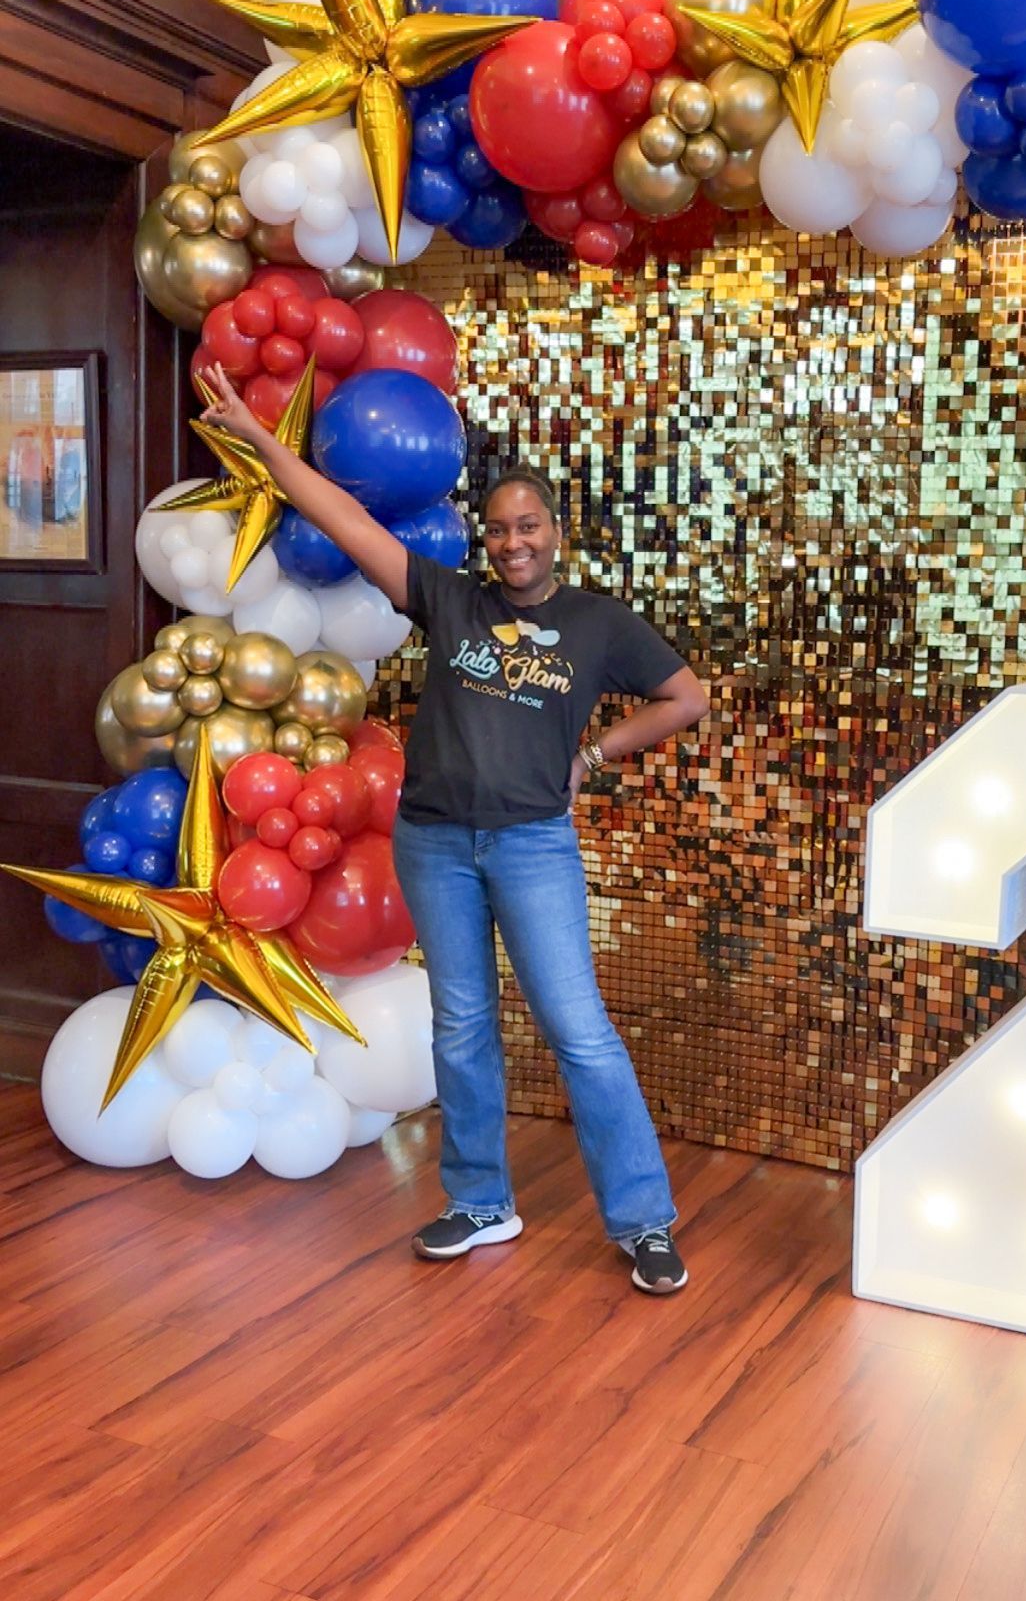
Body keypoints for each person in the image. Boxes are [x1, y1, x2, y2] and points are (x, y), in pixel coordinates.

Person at [199, 363, 709, 1294]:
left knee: (578, 1029)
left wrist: (594, 757)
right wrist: (260, 441)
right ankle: (481, 1201)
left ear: (555, 535)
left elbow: (686, 697)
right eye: (500, 528)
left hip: (531, 845)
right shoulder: (451, 600)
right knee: (461, 1024)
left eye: (530, 526)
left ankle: (642, 1221)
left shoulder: (597, 625)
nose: (514, 542)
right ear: (487, 538)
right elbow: (346, 521)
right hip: (433, 843)